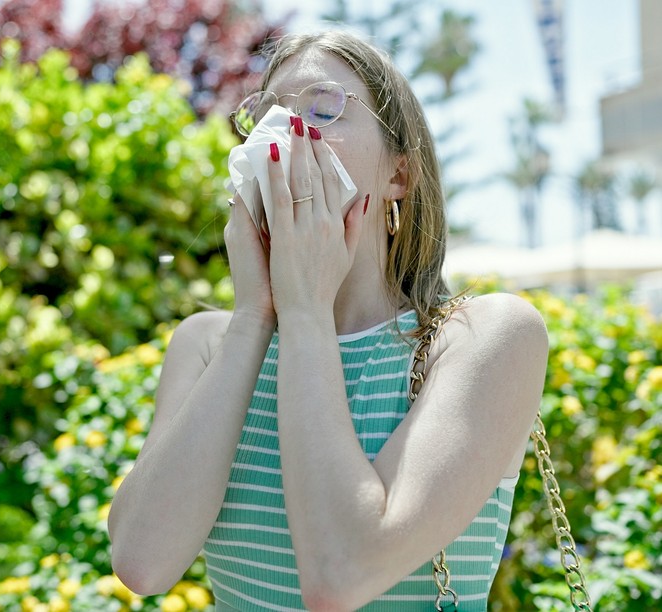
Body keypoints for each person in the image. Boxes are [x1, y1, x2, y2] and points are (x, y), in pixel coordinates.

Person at [108, 29, 547, 611]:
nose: (284, 136)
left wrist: (307, 311)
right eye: (264, 114)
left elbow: (341, 576)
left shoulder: (484, 338)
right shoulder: (210, 344)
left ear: (400, 175)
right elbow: (143, 562)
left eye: (323, 108)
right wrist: (253, 319)